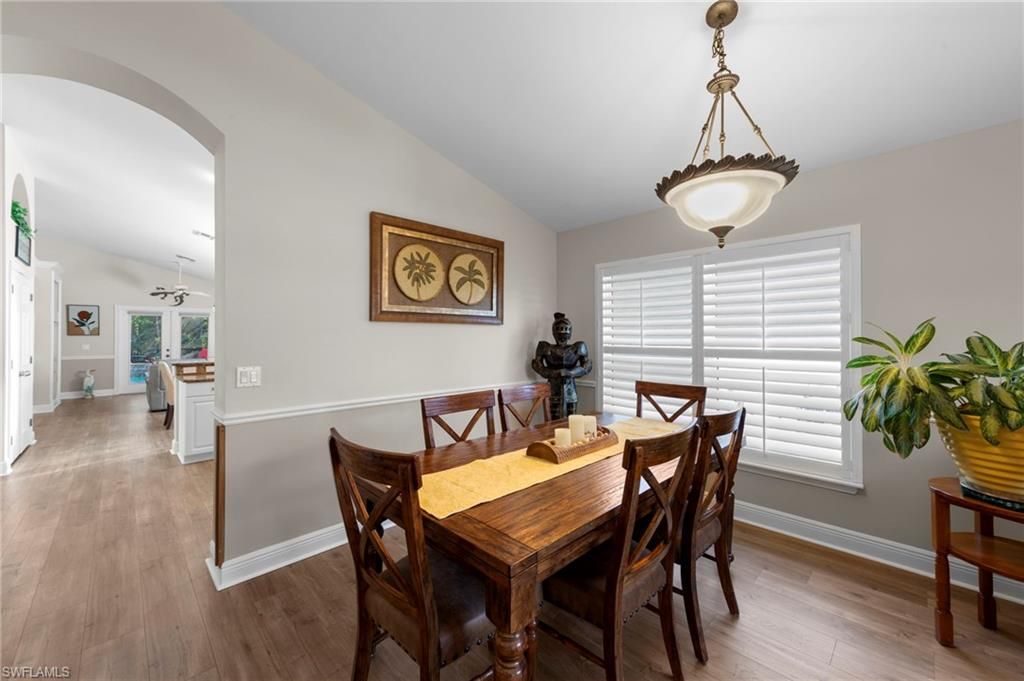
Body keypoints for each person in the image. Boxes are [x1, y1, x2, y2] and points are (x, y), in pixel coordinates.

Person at [532, 312, 593, 418]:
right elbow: (537, 365)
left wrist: (570, 373)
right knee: (553, 422)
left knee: (571, 420)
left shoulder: (578, 346)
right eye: (559, 328)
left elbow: (586, 366)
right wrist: (553, 373)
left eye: (565, 329)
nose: (562, 332)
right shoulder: (545, 347)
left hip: (570, 390)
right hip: (552, 388)